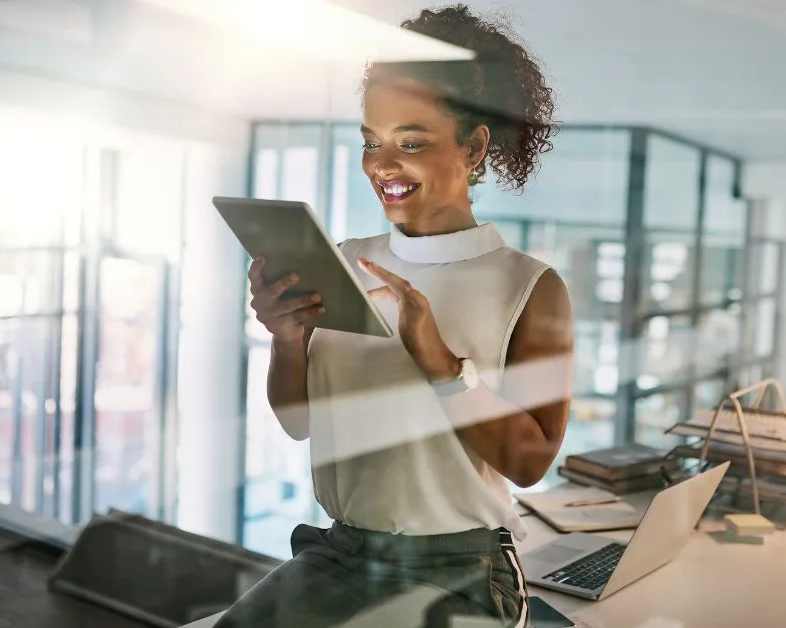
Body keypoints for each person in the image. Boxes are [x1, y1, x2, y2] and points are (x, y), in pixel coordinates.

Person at [217, 5, 571, 627]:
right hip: (342, 556)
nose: (382, 165)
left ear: (475, 145)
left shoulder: (530, 287)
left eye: (411, 142)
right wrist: (287, 338)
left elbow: (530, 462)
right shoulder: (342, 262)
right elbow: (298, 422)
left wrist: (438, 361)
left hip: (461, 572)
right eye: (371, 141)